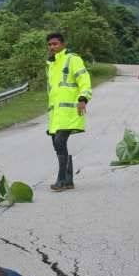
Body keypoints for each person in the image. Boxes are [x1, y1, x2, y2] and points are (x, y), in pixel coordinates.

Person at [45, 32, 91, 192]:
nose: (52, 47)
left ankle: (61, 179)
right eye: (50, 44)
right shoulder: (51, 65)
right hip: (55, 114)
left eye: (55, 44)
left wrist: (83, 99)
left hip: (70, 112)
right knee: (56, 144)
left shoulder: (73, 59)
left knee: (59, 142)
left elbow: (84, 80)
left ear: (63, 45)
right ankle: (69, 180)